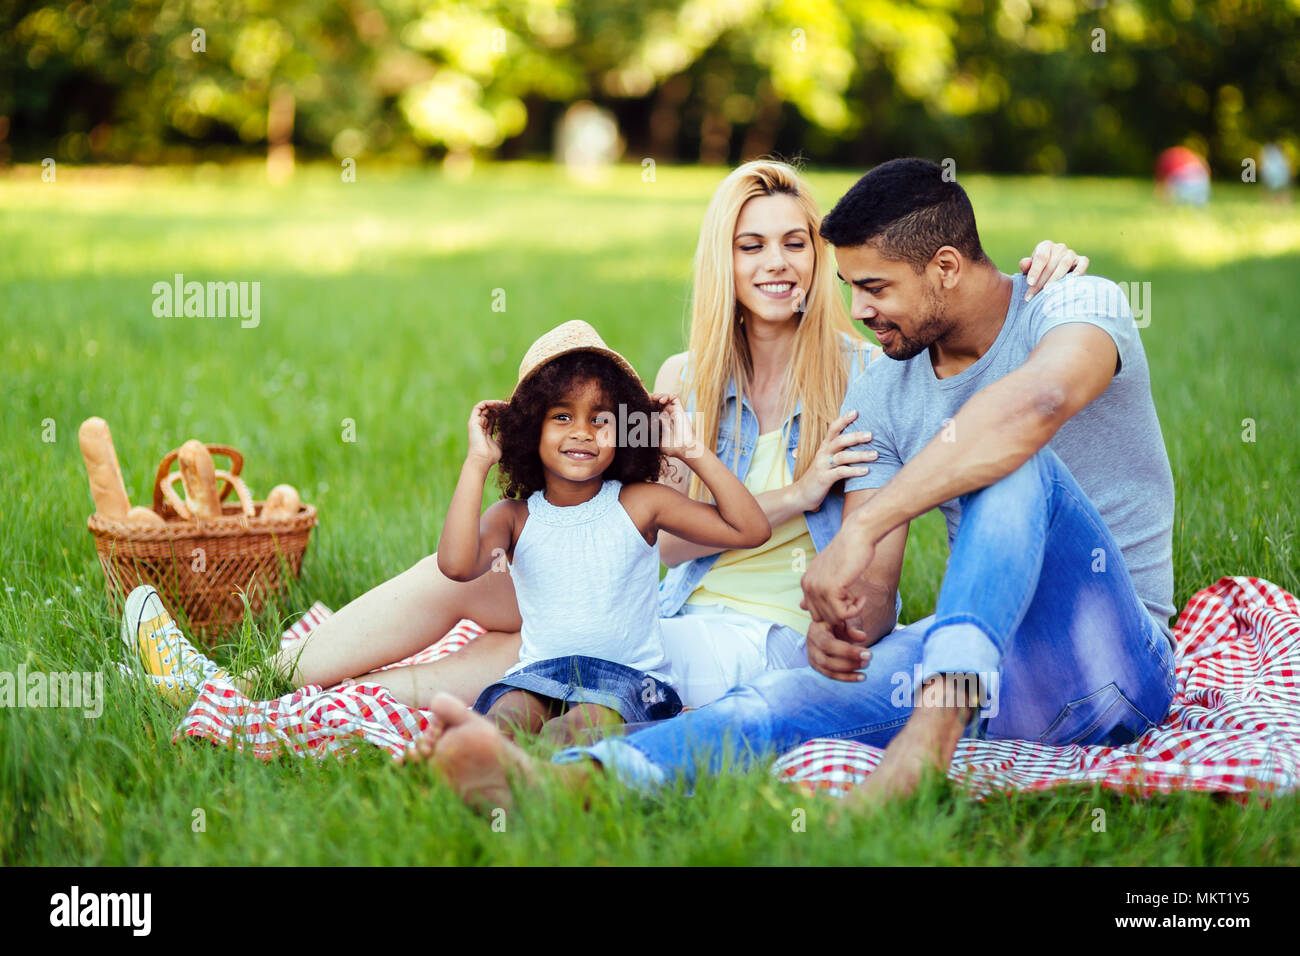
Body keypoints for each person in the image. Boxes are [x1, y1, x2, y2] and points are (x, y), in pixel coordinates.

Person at [123, 160, 1088, 720]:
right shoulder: (679, 383)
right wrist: (775, 500)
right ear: (724, 259)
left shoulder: (867, 378)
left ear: (820, 258)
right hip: (663, 591)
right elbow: (644, 535)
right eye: (753, 245)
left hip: (762, 635)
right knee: (464, 581)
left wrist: (1045, 276)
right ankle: (250, 684)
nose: (779, 264)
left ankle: (284, 711)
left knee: (542, 648)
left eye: (796, 243)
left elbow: (871, 579)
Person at [402, 158, 1175, 812]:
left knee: (1019, 460)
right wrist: (836, 627)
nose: (855, 309)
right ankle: (564, 785)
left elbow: (1034, 407)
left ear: (944, 267)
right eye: (848, 287)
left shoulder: (1074, 301)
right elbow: (870, 604)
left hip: (1112, 660)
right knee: (777, 700)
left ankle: (926, 746)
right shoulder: (885, 390)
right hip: (991, 678)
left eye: (873, 288)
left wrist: (866, 528)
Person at [438, 320, 767, 746]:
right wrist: (476, 463)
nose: (582, 431)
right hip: (540, 676)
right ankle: (465, 767)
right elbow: (456, 565)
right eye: (561, 416)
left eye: (600, 419)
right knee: (505, 720)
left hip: (627, 683)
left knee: (572, 730)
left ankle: (546, 788)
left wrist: (690, 449)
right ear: (530, 429)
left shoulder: (641, 503)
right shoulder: (514, 517)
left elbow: (750, 529)